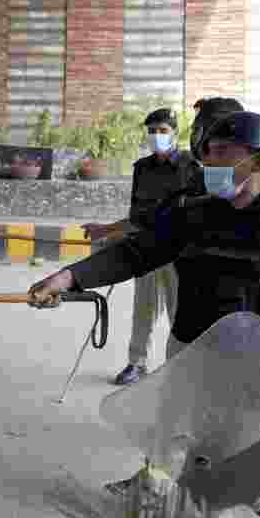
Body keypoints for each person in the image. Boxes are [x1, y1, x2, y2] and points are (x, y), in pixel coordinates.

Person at [27, 110, 260, 496]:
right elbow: (136, 252)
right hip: (192, 342)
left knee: (231, 448)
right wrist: (67, 278)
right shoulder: (197, 213)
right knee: (173, 423)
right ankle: (154, 483)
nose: (210, 162)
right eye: (208, 153)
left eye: (224, 152)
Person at [82, 108, 202, 385]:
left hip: (178, 252)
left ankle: (180, 367)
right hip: (146, 247)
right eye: (152, 131)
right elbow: (137, 215)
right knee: (143, 309)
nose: (156, 136)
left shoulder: (191, 167)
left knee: (179, 312)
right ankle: (137, 364)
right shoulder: (142, 168)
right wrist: (108, 231)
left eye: (163, 130)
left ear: (174, 133)